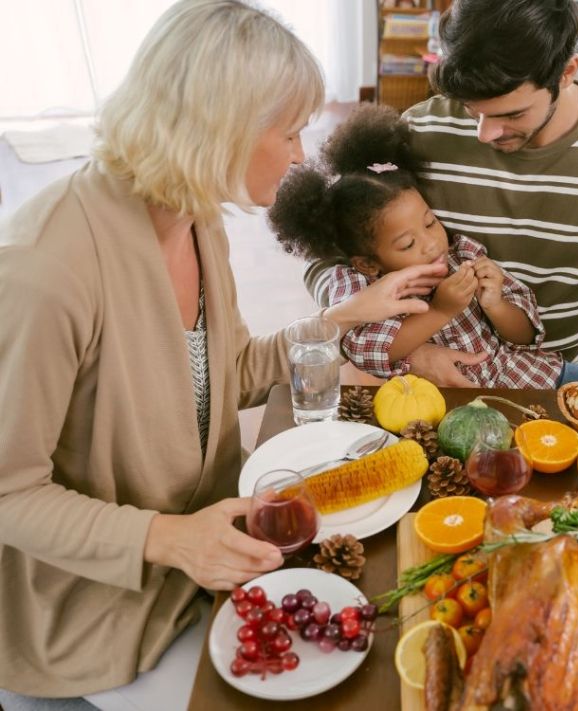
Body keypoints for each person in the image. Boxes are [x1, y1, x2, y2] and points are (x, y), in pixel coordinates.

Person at [0, 1, 444, 707]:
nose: (302, 154)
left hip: (216, 546)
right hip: (104, 605)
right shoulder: (45, 270)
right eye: (291, 130)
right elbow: (9, 493)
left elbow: (230, 372)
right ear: (223, 124)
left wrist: (340, 318)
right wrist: (169, 538)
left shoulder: (196, 216)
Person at [306, 0, 578, 387]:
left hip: (550, 375)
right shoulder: (418, 131)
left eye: (512, 114)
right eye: (471, 109)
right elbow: (329, 253)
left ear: (567, 71)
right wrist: (410, 351)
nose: (484, 133)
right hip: (422, 381)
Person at [272, 104, 578, 389]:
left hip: (529, 376)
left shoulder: (464, 254)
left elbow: (525, 336)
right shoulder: (358, 285)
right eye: (407, 243)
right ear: (367, 263)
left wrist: (496, 304)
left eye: (430, 222)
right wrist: (440, 311)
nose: (431, 243)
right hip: (449, 402)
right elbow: (367, 349)